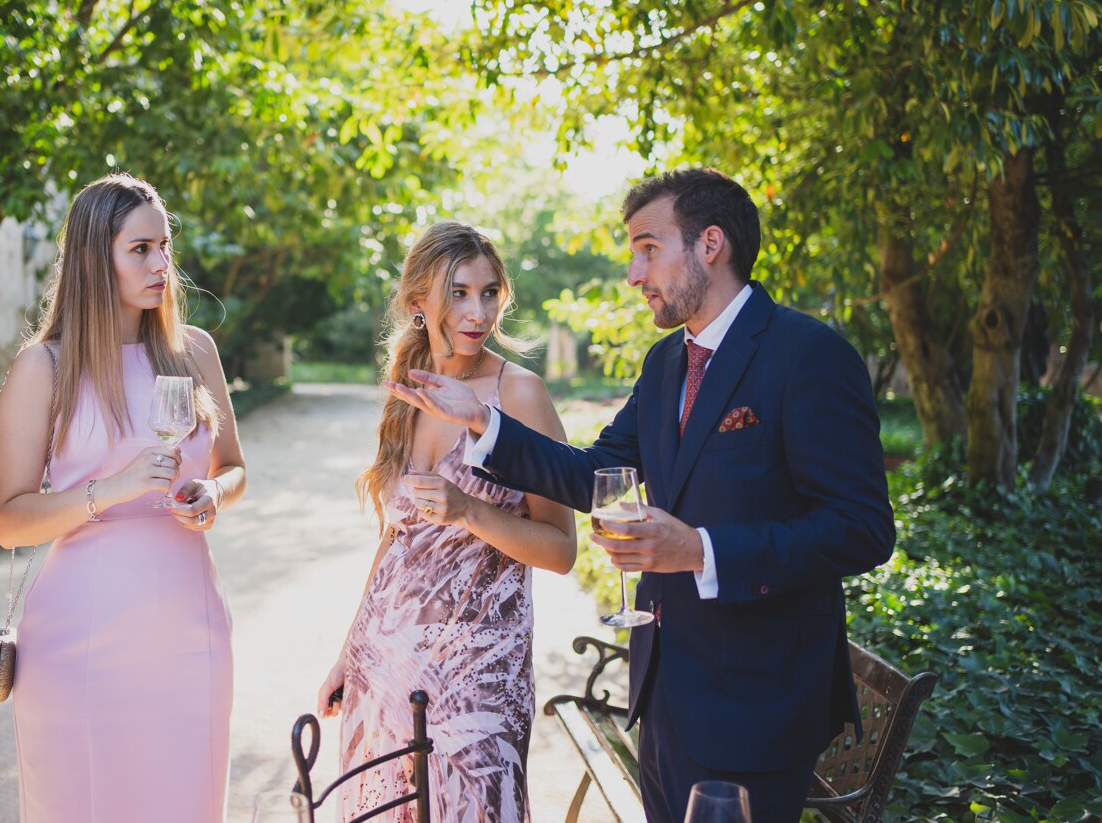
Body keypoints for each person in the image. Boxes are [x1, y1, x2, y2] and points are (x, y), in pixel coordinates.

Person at [386, 169, 895, 823]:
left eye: (648, 248)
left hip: (758, 709)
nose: (633, 271)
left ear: (710, 244)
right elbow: (592, 473)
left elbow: (862, 529)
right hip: (662, 698)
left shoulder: (808, 356)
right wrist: (483, 421)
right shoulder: (664, 366)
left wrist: (701, 550)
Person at [0, 173, 246, 822]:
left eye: (164, 246)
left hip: (190, 627)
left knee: (186, 801)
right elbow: (7, 519)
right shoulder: (45, 367)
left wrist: (213, 491)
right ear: (93, 255)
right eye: (141, 249)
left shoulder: (194, 352)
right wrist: (110, 489)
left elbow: (236, 466)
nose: (163, 263)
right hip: (84, 634)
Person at [318, 221, 577, 822]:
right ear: (419, 304)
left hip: (478, 674)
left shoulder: (520, 394)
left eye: (489, 292)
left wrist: (470, 511)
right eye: (458, 293)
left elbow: (562, 549)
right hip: (385, 664)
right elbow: (395, 538)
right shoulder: (410, 392)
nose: (477, 311)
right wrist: (348, 649)